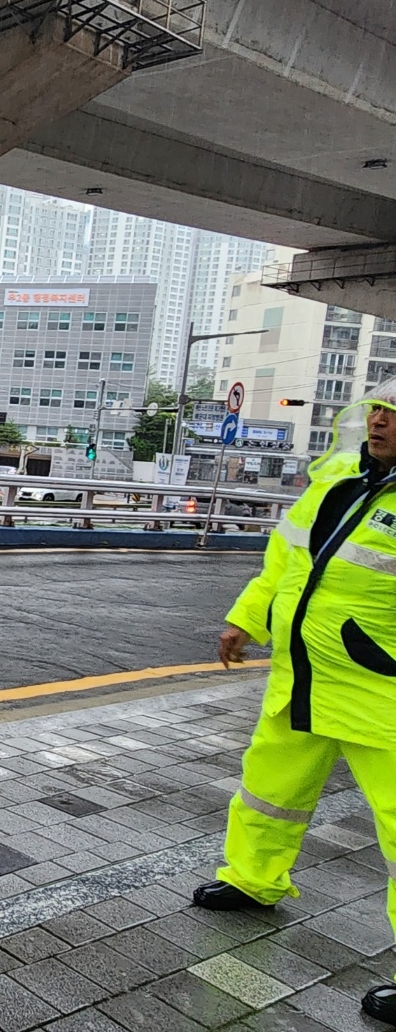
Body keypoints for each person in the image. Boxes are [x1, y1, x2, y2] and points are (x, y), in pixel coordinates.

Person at [193, 378, 396, 1025]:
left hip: (382, 688)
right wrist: (245, 619)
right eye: (380, 410)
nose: (383, 421)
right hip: (305, 674)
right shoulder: (337, 473)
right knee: (269, 786)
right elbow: (285, 559)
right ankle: (253, 879)